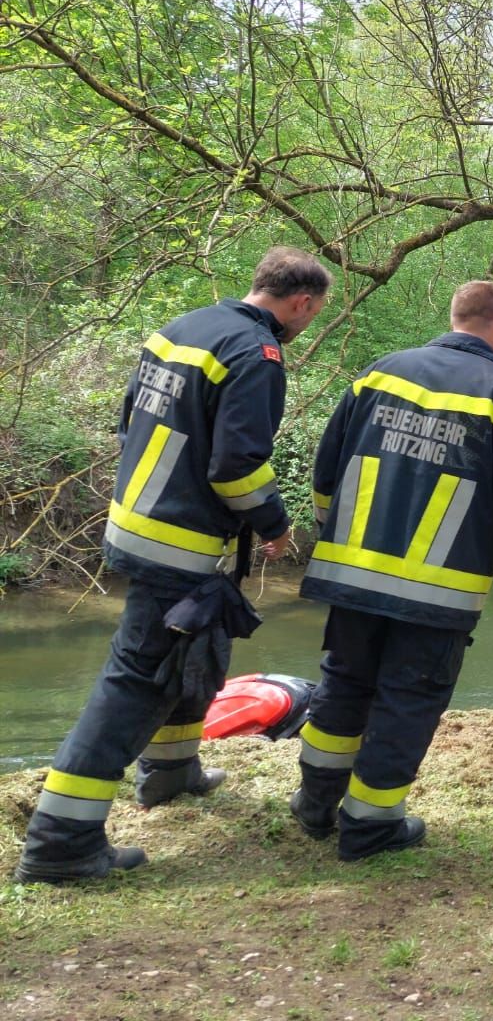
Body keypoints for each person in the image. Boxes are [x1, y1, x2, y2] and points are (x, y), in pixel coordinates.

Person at [14, 248, 330, 884]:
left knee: (194, 652)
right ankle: (60, 843)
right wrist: (274, 524)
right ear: (301, 303)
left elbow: (127, 421)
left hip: (133, 520)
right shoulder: (257, 355)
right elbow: (237, 466)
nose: (307, 323)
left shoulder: (183, 328)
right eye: (312, 314)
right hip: (180, 541)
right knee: (136, 681)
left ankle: (171, 771)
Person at [290, 281, 493, 861]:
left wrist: (331, 534)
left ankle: (314, 805)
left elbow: (326, 471)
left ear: (454, 316)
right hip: (437, 591)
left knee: (344, 684)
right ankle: (370, 825)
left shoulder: (381, 373)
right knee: (407, 699)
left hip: (354, 573)